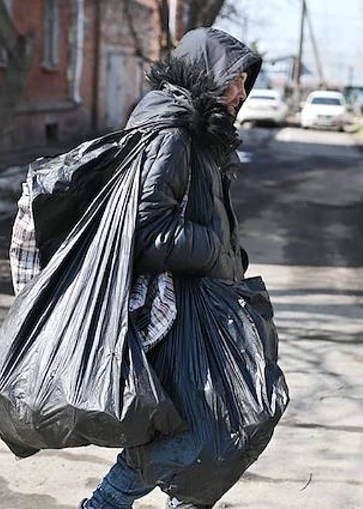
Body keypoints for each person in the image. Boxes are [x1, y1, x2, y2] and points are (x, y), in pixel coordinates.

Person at [80, 27, 263, 509]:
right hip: (178, 308)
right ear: (209, 75)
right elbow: (148, 229)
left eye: (245, 82)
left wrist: (227, 257)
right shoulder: (174, 133)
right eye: (235, 81)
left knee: (202, 430)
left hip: (203, 299)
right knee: (198, 433)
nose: (242, 92)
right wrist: (212, 246)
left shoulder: (198, 132)